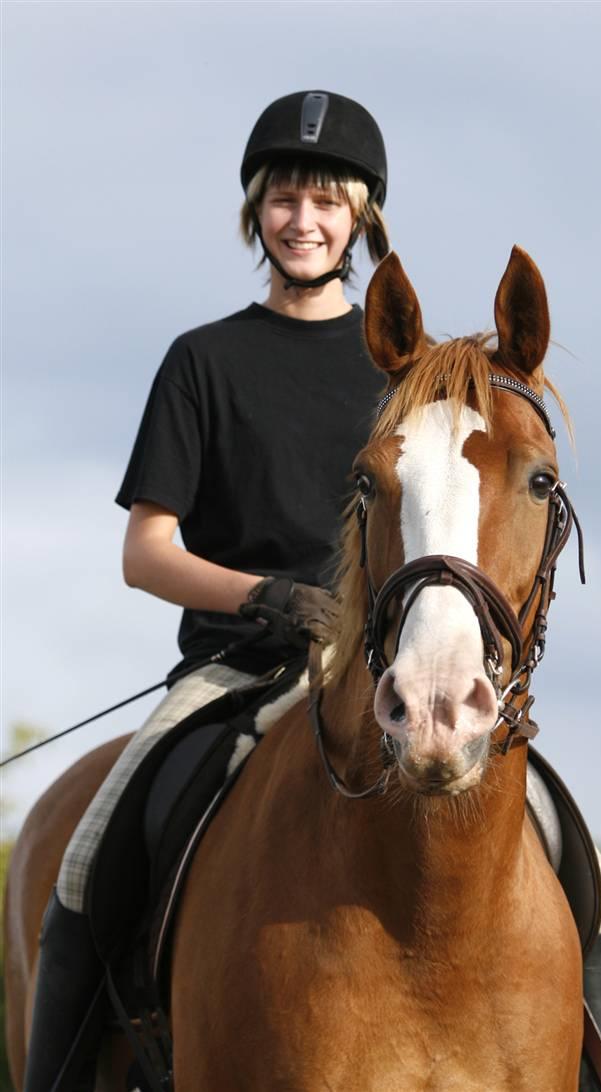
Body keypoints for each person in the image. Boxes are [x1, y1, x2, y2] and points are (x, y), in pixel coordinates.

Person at [24, 89, 391, 1092]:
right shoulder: (202, 361)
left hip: (381, 683)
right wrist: (262, 593)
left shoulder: (401, 370)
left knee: (590, 873)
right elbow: (146, 552)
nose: (302, 220)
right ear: (255, 212)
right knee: (85, 859)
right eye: (282, 198)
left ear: (362, 213)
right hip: (233, 672)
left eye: (325, 200)